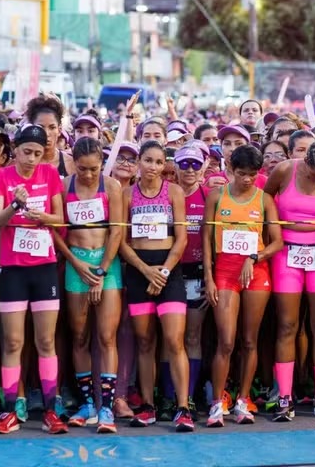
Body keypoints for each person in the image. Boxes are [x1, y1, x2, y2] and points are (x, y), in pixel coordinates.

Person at [0, 125, 68, 435]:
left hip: (43, 267)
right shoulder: (1, 176)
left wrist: (41, 217)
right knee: (13, 341)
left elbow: (60, 219)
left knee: (46, 340)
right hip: (13, 269)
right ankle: (10, 411)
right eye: (26, 152)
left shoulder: (49, 174)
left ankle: (51, 410)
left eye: (37, 153)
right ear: (15, 150)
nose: (31, 159)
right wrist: (15, 205)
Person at [203, 145, 284, 427]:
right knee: (226, 340)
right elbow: (206, 239)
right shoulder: (217, 196)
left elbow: (277, 241)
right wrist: (209, 277)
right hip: (225, 271)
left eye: (252, 174)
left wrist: (255, 256)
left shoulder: (264, 200)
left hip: (256, 271)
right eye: (241, 174)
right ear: (230, 170)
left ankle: (243, 399)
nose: (247, 179)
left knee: (250, 340)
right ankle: (217, 402)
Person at [265, 141, 315, 421]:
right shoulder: (285, 170)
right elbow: (264, 202)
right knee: (287, 324)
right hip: (286, 251)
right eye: (313, 173)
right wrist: (273, 234)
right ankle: (284, 395)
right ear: (305, 162)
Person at [119, 141, 194, 432]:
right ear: (139, 161)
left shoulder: (174, 192)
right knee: (145, 342)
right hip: (140, 270)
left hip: (168, 271)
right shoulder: (126, 194)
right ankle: (148, 406)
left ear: (165, 165)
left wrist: (162, 271)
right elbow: (122, 242)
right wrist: (144, 270)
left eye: (158, 162)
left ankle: (183, 407)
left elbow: (182, 238)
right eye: (147, 160)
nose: (152, 167)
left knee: (175, 341)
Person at [61, 137, 125, 434]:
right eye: (83, 169)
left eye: (94, 169)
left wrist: (99, 271)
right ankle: (87, 403)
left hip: (106, 265)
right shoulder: (64, 187)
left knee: (106, 337)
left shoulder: (111, 187)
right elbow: (57, 232)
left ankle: (107, 407)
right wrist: (77, 264)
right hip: (77, 264)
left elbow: (116, 233)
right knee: (79, 337)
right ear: (74, 163)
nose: (88, 175)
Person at [174, 144, 210, 413]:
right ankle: (170, 396)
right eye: (184, 163)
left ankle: (190, 394)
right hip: (170, 271)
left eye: (195, 164)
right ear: (175, 166)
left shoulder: (209, 195)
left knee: (193, 336)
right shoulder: (167, 194)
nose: (189, 169)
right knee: (171, 339)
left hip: (198, 271)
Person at [26, 94, 75, 176]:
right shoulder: (19, 164)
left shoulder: (71, 164)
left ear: (59, 130)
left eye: (52, 127)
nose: (46, 133)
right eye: (40, 127)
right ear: (32, 128)